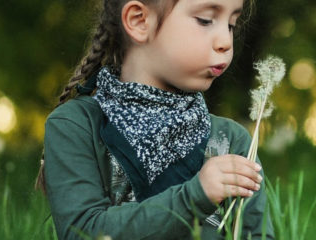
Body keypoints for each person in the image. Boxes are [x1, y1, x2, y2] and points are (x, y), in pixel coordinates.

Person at [34, 0, 272, 238]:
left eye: (231, 25)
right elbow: (83, 232)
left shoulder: (231, 141)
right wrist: (196, 196)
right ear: (139, 21)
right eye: (205, 20)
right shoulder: (76, 125)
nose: (225, 42)